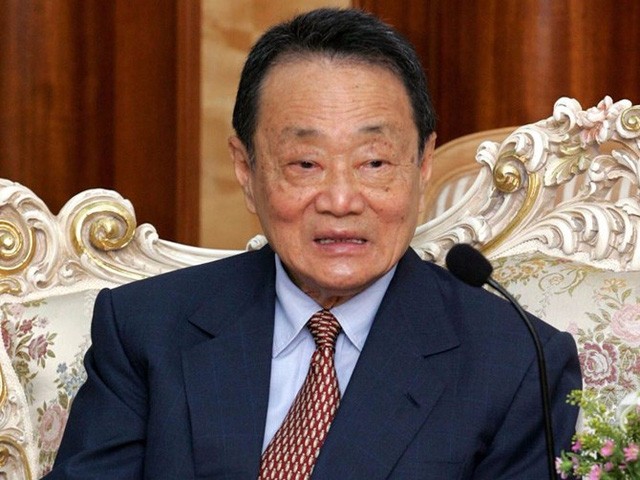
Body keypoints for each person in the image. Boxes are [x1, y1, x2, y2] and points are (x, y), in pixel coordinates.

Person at [46, 7, 581, 479]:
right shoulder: (146, 328)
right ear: (246, 170)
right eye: (305, 164)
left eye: (374, 162)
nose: (341, 200)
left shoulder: (515, 363)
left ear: (422, 166)